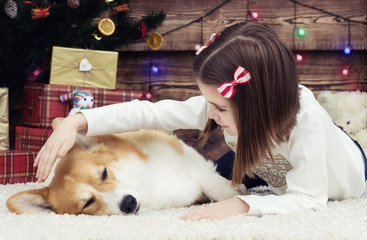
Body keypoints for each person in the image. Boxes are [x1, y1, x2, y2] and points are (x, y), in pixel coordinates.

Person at [34, 22, 367, 221]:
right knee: (214, 176)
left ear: (256, 106)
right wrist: (77, 120)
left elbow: (310, 200)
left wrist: (241, 205)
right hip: (263, 158)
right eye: (210, 104)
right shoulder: (224, 108)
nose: (208, 115)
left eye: (219, 108)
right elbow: (150, 112)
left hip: (348, 173)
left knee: (233, 188)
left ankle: (346, 131)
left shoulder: (303, 122)